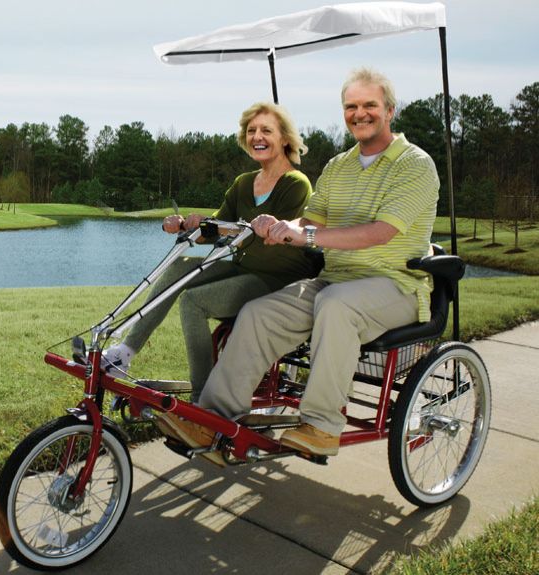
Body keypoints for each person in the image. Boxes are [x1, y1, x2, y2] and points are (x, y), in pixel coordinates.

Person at [160, 68, 440, 459]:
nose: (359, 113)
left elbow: (379, 233)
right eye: (351, 106)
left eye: (370, 105)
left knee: (335, 305)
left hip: (395, 284)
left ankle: (321, 426)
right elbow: (311, 223)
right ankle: (214, 419)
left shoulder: (414, 164)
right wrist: (283, 226)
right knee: (257, 314)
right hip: (335, 280)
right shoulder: (339, 166)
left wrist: (305, 237)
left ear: (390, 110)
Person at [103, 102, 319, 402]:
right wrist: (187, 225)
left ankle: (202, 397)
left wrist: (236, 228)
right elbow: (216, 227)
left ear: (284, 138)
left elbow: (276, 236)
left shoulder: (296, 184)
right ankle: (124, 352)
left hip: (276, 281)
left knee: (193, 302)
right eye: (252, 130)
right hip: (244, 269)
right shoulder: (244, 183)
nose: (257, 136)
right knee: (178, 267)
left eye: (266, 130)